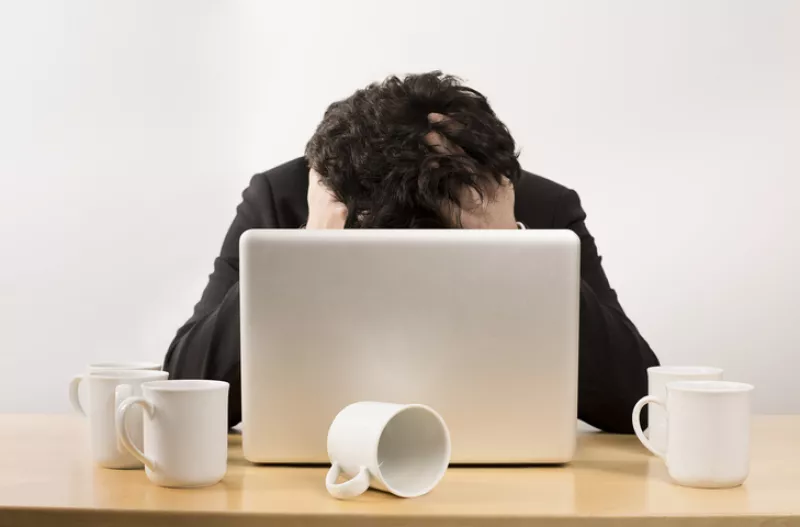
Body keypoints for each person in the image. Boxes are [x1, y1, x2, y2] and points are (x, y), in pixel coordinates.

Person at [163, 71, 659, 433]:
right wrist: (305, 249)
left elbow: (637, 403)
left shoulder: (540, 207)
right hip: (320, 462)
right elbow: (185, 393)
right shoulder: (284, 198)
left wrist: (513, 242)